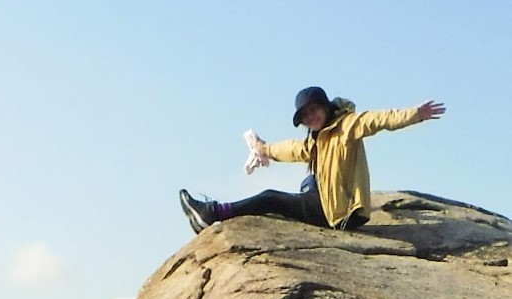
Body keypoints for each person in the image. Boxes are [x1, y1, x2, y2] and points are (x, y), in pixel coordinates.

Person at [179, 85, 445, 234]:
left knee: (270, 197)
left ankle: (213, 213)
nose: (310, 117)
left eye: (314, 110)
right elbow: (293, 149)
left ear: (326, 107)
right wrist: (265, 149)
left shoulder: (347, 127)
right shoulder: (315, 141)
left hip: (340, 214)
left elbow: (378, 120)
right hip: (331, 206)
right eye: (305, 116)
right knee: (309, 181)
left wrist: (414, 114)